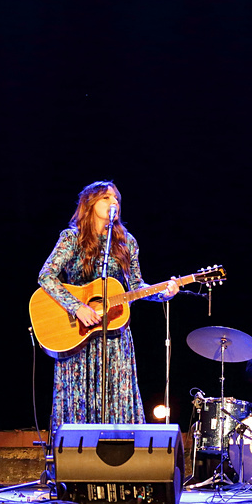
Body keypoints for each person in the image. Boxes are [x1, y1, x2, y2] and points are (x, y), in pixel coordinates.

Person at [38, 181, 178, 436]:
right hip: (77, 335)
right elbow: (46, 276)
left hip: (114, 337)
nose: (114, 202)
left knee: (116, 395)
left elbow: (136, 286)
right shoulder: (72, 238)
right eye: (106, 198)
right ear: (90, 204)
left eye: (116, 199)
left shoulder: (127, 242)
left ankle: (118, 454)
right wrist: (77, 307)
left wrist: (163, 293)